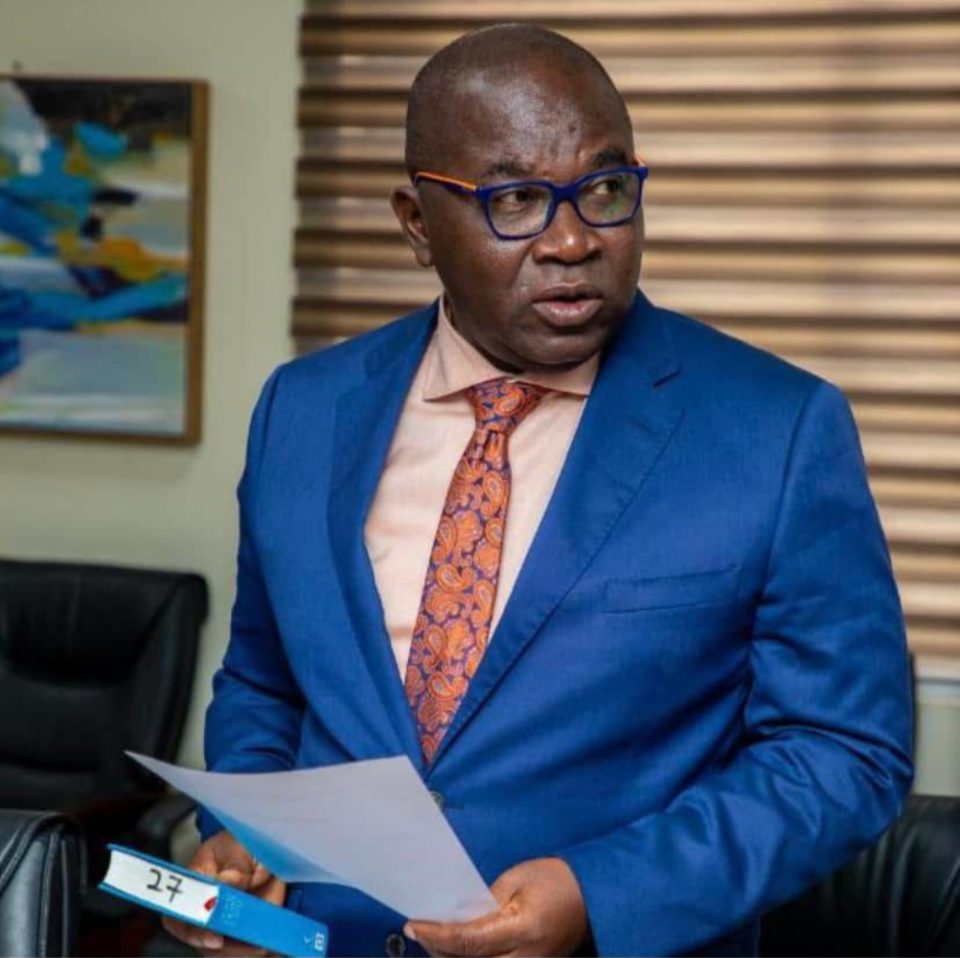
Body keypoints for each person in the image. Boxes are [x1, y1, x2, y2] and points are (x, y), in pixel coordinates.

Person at [165, 23, 913, 958]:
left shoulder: (777, 429)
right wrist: (247, 838)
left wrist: (601, 894)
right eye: (515, 200)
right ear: (416, 223)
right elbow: (264, 685)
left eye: (605, 190)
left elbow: (844, 752)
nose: (571, 240)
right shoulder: (302, 411)